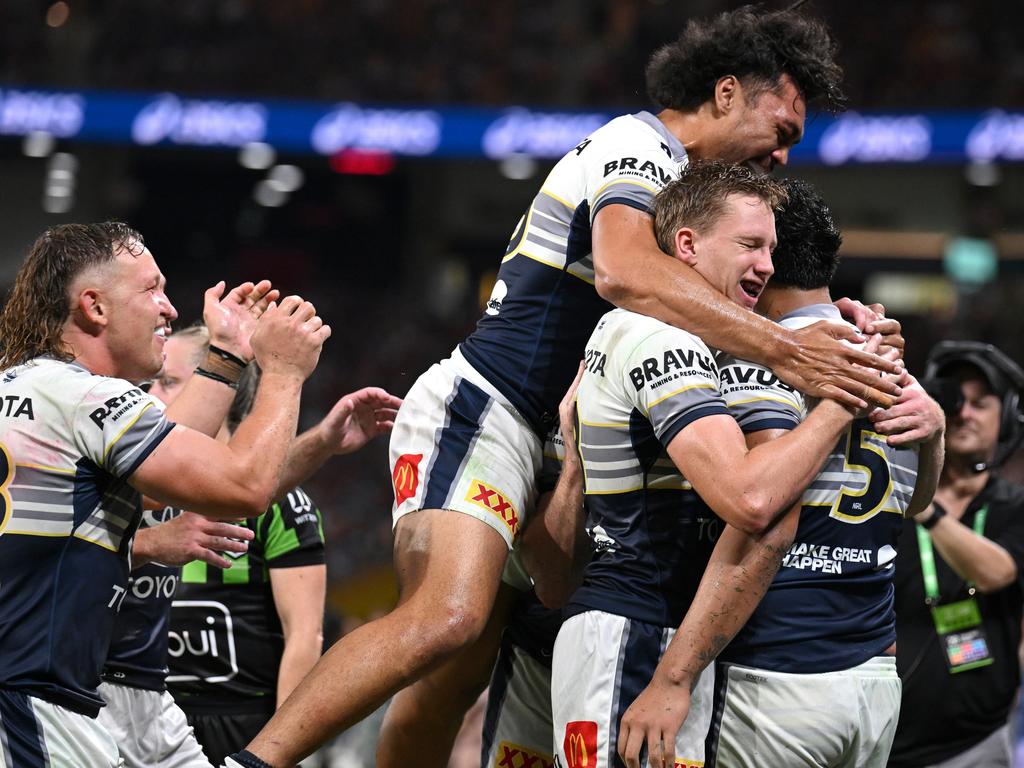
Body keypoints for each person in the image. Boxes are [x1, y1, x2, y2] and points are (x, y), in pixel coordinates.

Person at [232, 7, 904, 766]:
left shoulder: (690, 199)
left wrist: (828, 325)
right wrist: (790, 351)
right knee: (445, 620)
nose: (783, 157)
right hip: (489, 409)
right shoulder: (638, 145)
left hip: (556, 441)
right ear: (725, 94)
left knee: (452, 676)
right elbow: (622, 271)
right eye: (780, 130)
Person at [549, 161, 870, 768]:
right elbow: (753, 502)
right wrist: (837, 401)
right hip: (636, 638)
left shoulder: (692, 339)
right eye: (750, 244)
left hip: (656, 637)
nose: (768, 265)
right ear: (687, 245)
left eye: (772, 248)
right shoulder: (655, 336)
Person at [617, 178, 945, 768]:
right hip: (873, 681)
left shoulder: (765, 361)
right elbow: (918, 503)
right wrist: (937, 429)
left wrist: (674, 677)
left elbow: (761, 513)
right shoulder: (889, 362)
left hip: (778, 670)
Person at [0, 222, 328, 766]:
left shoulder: (30, 386)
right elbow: (244, 485)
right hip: (30, 701)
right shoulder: (86, 397)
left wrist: (226, 353)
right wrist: (285, 372)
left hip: (56, 694)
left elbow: (153, 491)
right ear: (95, 307)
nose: (169, 308)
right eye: (150, 289)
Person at [97, 325, 400, 768]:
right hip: (135, 707)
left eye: (168, 383)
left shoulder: (280, 506)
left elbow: (304, 634)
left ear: (222, 388)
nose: (152, 398)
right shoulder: (133, 482)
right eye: (150, 385)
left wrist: (282, 751)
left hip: (239, 722)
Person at [887, 341, 1024, 768]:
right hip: (881, 732)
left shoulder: (1014, 506)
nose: (963, 414)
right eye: (953, 400)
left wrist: (925, 507)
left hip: (975, 743)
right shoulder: (888, 498)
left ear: (1007, 419)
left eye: (980, 404)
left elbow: (996, 571)